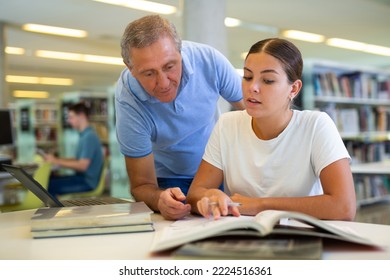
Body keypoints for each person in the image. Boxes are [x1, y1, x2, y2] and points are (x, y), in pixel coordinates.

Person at [187, 38, 356, 221]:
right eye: (247, 77)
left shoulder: (316, 125)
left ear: (294, 89)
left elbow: (344, 207)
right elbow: (195, 193)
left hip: (301, 239)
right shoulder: (227, 125)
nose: (252, 87)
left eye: (267, 80)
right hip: (242, 238)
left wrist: (260, 205)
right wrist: (210, 197)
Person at [115, 15, 245, 220]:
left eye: (169, 66)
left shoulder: (209, 60)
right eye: (149, 73)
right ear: (130, 68)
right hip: (171, 181)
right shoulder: (128, 100)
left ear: (180, 51)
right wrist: (159, 199)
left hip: (221, 171)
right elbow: (141, 185)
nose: (164, 83)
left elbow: (256, 113)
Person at [44, 102, 104, 197]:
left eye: (71, 117)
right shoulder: (85, 135)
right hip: (81, 178)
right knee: (51, 180)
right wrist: (56, 160)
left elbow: (82, 166)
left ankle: (53, 211)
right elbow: (78, 160)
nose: (68, 120)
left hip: (87, 182)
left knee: (49, 185)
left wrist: (57, 162)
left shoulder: (89, 137)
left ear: (81, 116)